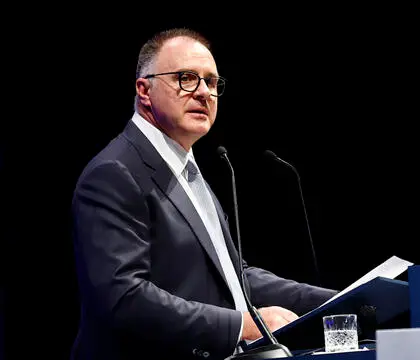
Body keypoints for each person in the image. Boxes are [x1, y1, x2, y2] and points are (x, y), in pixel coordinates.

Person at [70, 27, 337, 360]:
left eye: (211, 82)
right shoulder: (115, 173)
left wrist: (338, 300)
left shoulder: (186, 169)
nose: (203, 93)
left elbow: (233, 276)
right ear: (144, 90)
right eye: (186, 78)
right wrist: (242, 325)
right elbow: (124, 297)